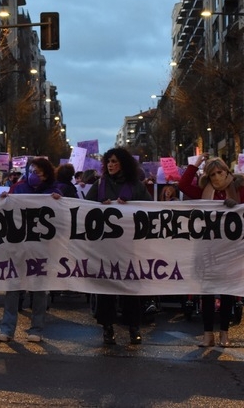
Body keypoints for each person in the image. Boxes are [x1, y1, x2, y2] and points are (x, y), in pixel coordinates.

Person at [178, 156, 244, 347]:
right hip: (207, 248)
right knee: (207, 292)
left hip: (230, 249)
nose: (217, 177)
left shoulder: (239, 190)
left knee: (228, 292)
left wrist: (239, 207)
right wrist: (195, 163)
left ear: (227, 172)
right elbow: (183, 184)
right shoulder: (203, 191)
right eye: (212, 174)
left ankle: (224, 334)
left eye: (220, 172)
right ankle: (208, 333)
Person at [85, 148, 152, 345]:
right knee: (106, 288)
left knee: (129, 289)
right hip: (104, 246)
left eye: (114, 161)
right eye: (108, 162)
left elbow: (149, 210)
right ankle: (107, 328)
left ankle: (133, 327)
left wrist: (130, 206)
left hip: (129, 247)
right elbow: (84, 208)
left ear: (123, 163)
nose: (110, 165)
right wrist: (99, 206)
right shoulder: (100, 184)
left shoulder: (136, 186)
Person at [0, 157, 62, 343]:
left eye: (38, 172)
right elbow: (5, 208)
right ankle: (7, 329)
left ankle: (36, 329)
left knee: (39, 288)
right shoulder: (18, 188)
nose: (33, 175)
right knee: (13, 286)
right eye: (31, 171)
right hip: (17, 245)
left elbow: (61, 217)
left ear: (46, 175)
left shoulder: (53, 191)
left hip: (41, 247)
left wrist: (58, 201)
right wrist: (3, 199)